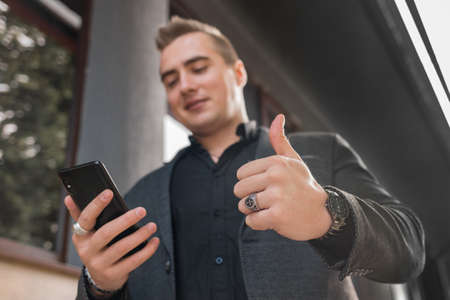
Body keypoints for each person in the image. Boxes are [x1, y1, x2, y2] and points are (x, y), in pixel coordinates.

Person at [65, 16, 425, 300]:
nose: (185, 85)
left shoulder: (320, 151)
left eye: (198, 67)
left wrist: (327, 213)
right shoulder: (141, 196)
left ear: (237, 72)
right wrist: (100, 286)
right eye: (171, 80)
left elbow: (408, 249)